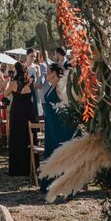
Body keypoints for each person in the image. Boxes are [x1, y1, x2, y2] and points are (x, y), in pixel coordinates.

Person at [41, 63, 75, 192]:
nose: (46, 74)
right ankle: (50, 183)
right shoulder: (52, 86)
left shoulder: (60, 86)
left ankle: (65, 185)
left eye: (48, 72)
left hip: (59, 126)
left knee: (59, 152)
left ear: (54, 73)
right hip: (51, 126)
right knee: (51, 152)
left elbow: (66, 104)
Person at [2, 62, 37, 176]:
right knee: (29, 137)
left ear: (16, 71)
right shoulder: (31, 81)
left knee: (17, 138)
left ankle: (18, 169)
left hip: (17, 112)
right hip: (29, 112)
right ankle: (30, 167)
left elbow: (5, 94)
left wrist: (7, 81)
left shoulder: (13, 83)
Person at [24, 48, 42, 118]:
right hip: (24, 93)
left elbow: (39, 83)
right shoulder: (22, 66)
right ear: (27, 55)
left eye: (35, 56)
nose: (33, 58)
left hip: (34, 92)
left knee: (35, 113)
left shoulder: (37, 67)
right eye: (32, 56)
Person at [34, 51, 51, 119]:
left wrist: (31, 84)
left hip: (44, 96)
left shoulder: (42, 66)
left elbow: (40, 83)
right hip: (50, 94)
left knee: (46, 119)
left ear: (40, 56)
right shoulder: (51, 64)